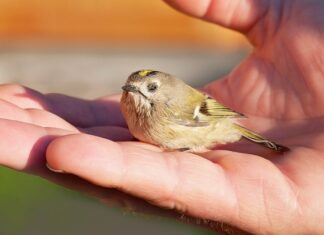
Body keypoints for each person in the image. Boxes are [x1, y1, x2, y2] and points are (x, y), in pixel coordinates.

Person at [0, 0, 323, 234]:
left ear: (164, 91)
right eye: (133, 86)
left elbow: (212, 113)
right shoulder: (131, 103)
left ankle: (264, 143)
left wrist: (187, 144)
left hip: (212, 122)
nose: (136, 91)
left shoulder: (171, 108)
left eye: (150, 88)